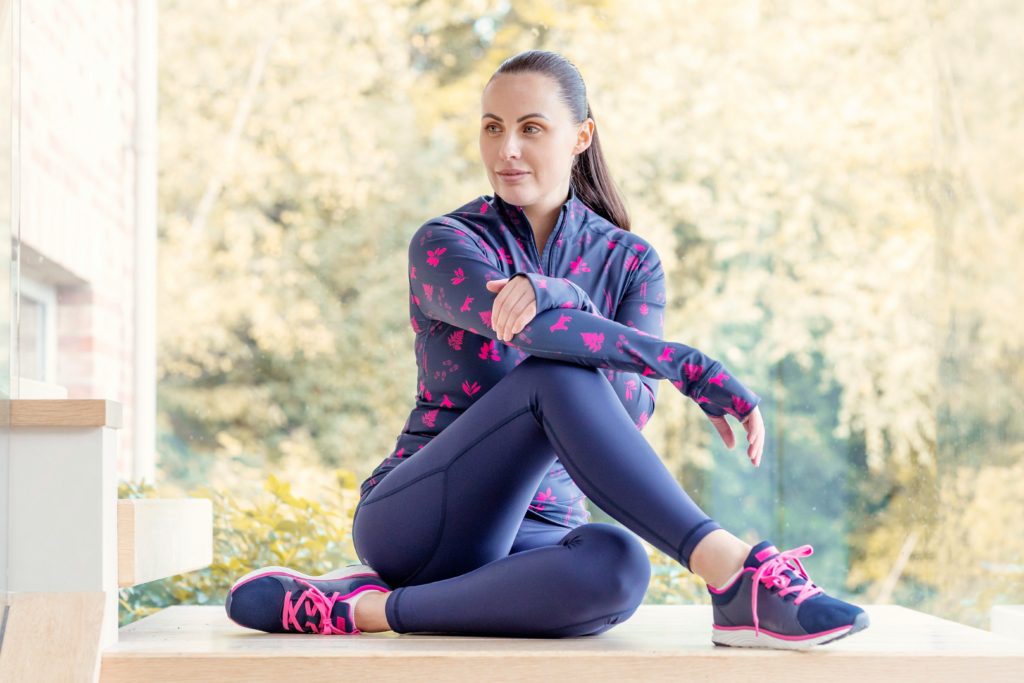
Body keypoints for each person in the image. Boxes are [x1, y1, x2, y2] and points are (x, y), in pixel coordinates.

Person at [226, 49, 869, 648]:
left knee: (620, 564)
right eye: (492, 127)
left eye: (531, 128)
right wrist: (685, 364)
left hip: (539, 534)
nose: (507, 149)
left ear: (581, 137)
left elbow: (623, 416)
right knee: (552, 376)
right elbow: (530, 336)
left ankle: (359, 609)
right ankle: (733, 573)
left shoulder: (630, 262)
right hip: (423, 517)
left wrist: (572, 300)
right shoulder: (448, 244)